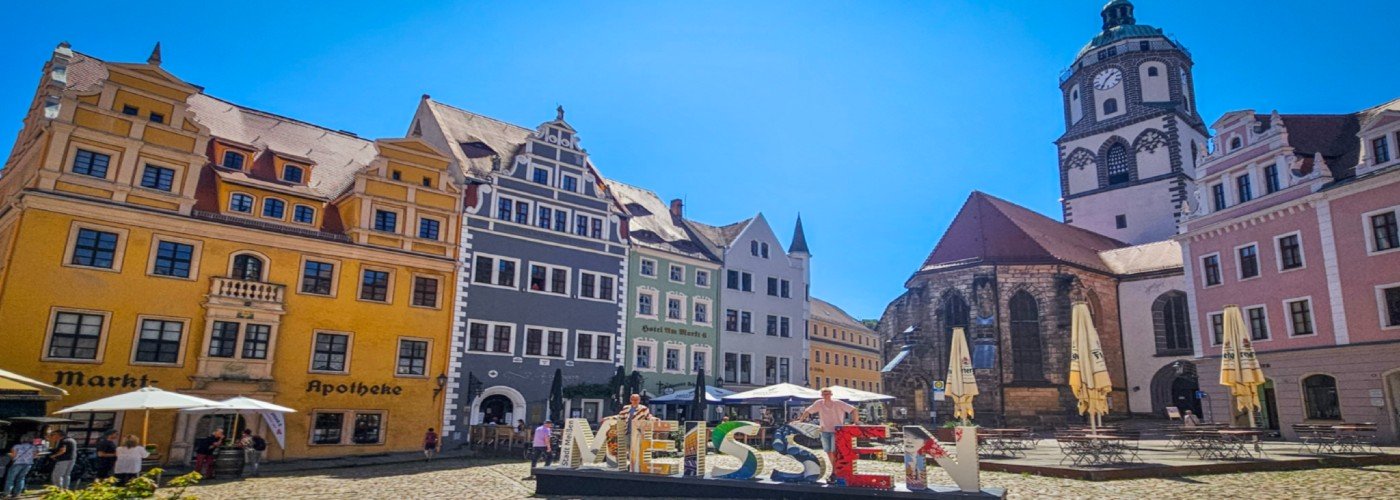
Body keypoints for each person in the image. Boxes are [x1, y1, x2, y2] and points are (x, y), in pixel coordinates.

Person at [800, 387, 860, 466]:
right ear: (821, 395)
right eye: (824, 394)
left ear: (831, 394)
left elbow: (853, 410)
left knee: (834, 451)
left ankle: (835, 470)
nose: (826, 395)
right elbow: (807, 411)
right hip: (824, 430)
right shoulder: (819, 403)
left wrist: (856, 422)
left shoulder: (838, 403)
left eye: (827, 393)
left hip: (837, 430)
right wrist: (800, 420)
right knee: (828, 451)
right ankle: (832, 468)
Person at [5, 433, 38, 498]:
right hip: (28, 465)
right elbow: (34, 456)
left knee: (10, 479)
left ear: (22, 439)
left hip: (17, 464)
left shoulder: (16, 446)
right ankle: (17, 494)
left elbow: (13, 456)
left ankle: (6, 493)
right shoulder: (33, 447)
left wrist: (8, 455)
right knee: (21, 478)